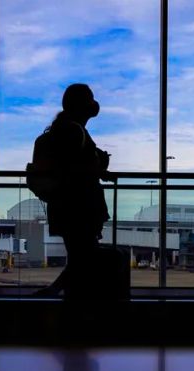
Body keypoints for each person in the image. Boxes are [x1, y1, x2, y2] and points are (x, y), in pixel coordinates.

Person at [35, 84, 111, 298]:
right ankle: (59, 294)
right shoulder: (74, 131)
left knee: (80, 256)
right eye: (90, 99)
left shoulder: (63, 129)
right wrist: (98, 166)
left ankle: (63, 294)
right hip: (80, 206)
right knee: (84, 257)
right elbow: (73, 170)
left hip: (66, 205)